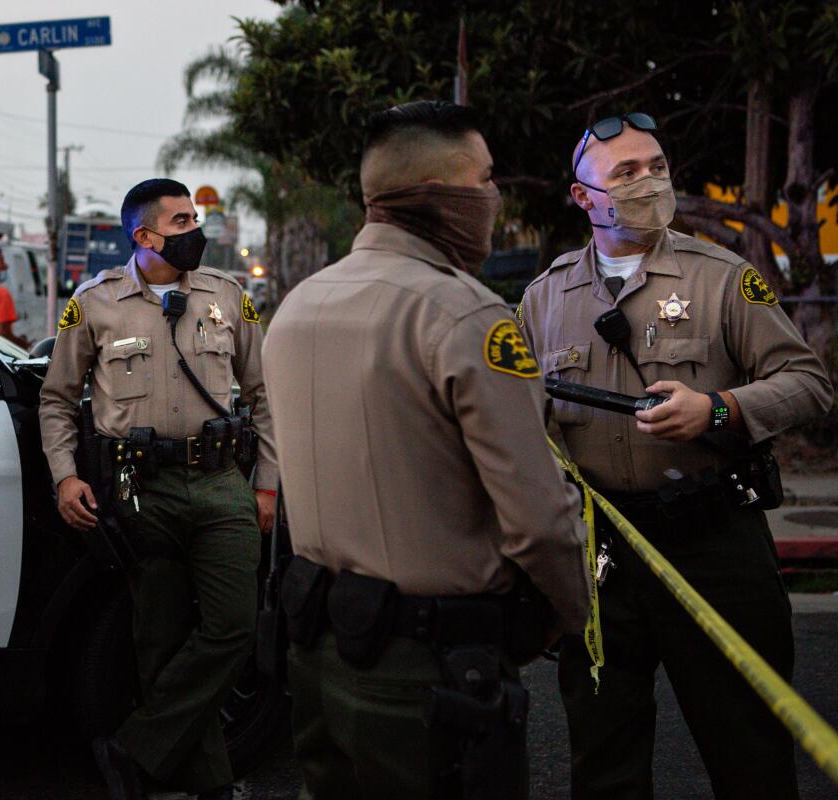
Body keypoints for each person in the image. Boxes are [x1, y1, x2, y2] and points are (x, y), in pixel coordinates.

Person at [262, 100, 590, 799]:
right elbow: (539, 522)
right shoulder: (464, 315)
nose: (494, 199)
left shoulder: (298, 305)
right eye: (486, 181)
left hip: (319, 652)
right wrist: (569, 616)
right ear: (444, 199)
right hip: (429, 669)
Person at [519, 113, 833, 800]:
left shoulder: (722, 276)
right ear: (583, 197)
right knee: (604, 764)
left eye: (656, 166)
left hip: (714, 544)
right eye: (626, 173)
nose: (648, 181)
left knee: (750, 756)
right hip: (603, 558)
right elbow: (524, 423)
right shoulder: (545, 297)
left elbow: (809, 382)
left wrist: (719, 409)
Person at [39, 178, 277, 800]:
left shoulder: (229, 295)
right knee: (159, 637)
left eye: (193, 217)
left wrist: (269, 485)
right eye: (179, 222)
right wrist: (65, 475)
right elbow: (58, 399)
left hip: (223, 481)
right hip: (139, 488)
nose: (193, 230)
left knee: (233, 627)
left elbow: (264, 394)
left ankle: (135, 747)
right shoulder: (94, 302)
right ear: (143, 237)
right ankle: (210, 784)